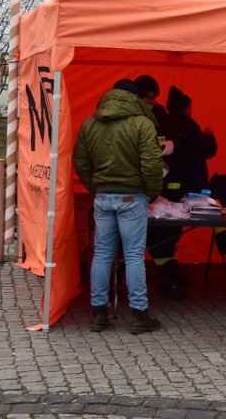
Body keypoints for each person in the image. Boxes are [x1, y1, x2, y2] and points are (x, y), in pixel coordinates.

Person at [73, 78, 163, 334]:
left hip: (103, 196)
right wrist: (152, 192)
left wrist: (96, 187)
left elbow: (80, 162)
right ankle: (138, 315)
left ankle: (98, 314)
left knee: (101, 254)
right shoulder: (142, 123)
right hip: (132, 197)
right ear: (135, 98)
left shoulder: (90, 123)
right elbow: (152, 164)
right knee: (134, 255)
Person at [148, 85, 218, 300]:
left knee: (165, 234)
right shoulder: (188, 125)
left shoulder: (164, 124)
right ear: (185, 107)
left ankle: (172, 276)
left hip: (166, 190)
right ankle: (169, 281)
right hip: (185, 191)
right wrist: (209, 136)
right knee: (167, 236)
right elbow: (206, 150)